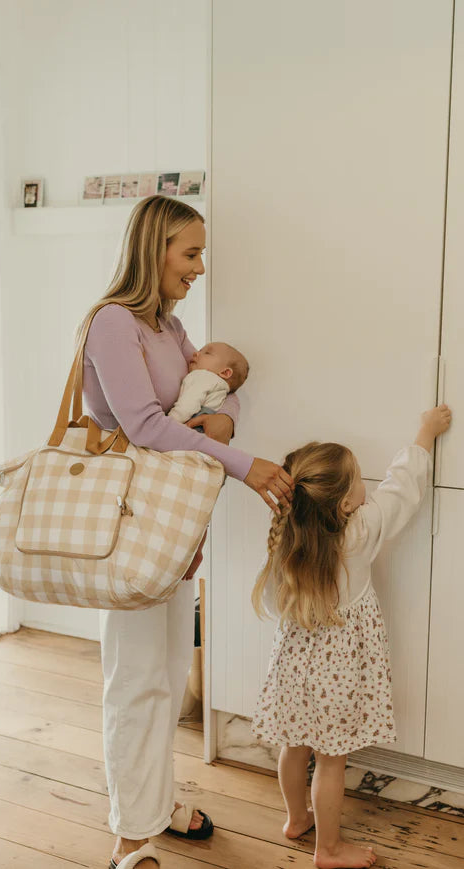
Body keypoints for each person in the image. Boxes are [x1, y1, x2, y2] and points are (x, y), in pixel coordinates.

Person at [79, 194, 294, 869]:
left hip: (170, 529)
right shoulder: (113, 323)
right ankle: (129, 836)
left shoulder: (167, 328)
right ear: (154, 250)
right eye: (190, 252)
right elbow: (143, 425)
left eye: (201, 253)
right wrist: (242, 463)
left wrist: (225, 415)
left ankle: (154, 801)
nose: (199, 267)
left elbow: (213, 382)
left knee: (168, 677)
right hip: (134, 527)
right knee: (136, 680)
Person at [250, 404, 452, 869]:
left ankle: (296, 819)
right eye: (361, 478)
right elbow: (403, 489)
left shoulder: (288, 537)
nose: (369, 485)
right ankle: (328, 849)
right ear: (344, 504)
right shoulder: (360, 531)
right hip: (337, 675)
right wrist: (426, 430)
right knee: (332, 761)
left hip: (293, 669)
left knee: (293, 746)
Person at [167, 341, 249, 425]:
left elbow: (187, 406)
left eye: (207, 353)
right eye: (199, 350)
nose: (195, 353)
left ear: (225, 372)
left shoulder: (203, 376)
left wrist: (169, 422)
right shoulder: (221, 388)